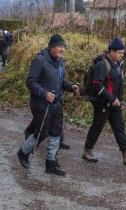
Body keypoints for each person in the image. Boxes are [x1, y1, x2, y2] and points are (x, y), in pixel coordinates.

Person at [16, 34, 80, 176]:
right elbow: (31, 82)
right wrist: (45, 94)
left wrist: (71, 87)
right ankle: (23, 152)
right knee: (42, 132)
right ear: (51, 47)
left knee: (56, 132)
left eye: (64, 47)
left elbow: (61, 82)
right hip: (41, 103)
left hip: (56, 103)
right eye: (60, 46)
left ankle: (51, 163)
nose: (62, 49)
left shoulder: (60, 62)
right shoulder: (40, 60)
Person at [82, 37, 126, 166]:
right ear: (111, 51)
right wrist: (111, 98)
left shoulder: (119, 65)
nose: (121, 55)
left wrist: (120, 100)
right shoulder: (102, 65)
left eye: (122, 53)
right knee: (97, 126)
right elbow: (97, 85)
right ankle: (87, 150)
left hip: (115, 103)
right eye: (119, 53)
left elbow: (119, 85)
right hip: (102, 102)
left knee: (119, 127)